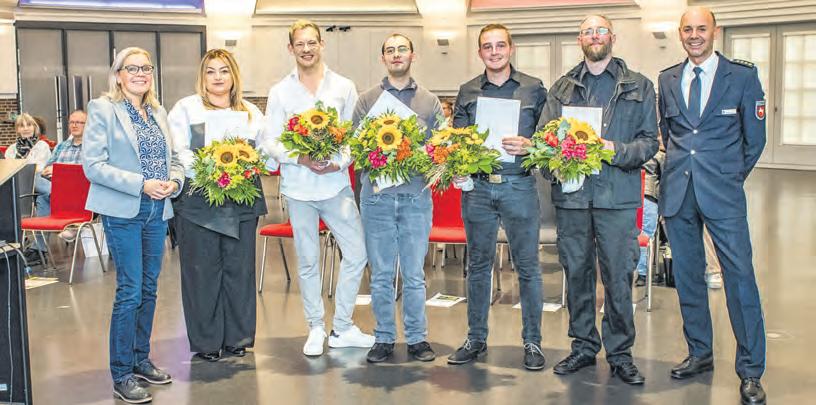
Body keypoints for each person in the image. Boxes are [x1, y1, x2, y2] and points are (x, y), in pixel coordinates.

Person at [539, 15, 657, 385]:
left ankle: (620, 354)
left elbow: (649, 144)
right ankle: (583, 346)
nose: (595, 36)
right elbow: (543, 143)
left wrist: (612, 149)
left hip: (617, 198)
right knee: (577, 273)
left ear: (612, 37)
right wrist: (556, 162)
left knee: (619, 277)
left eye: (601, 30)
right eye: (588, 31)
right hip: (573, 199)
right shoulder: (561, 88)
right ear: (580, 39)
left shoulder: (639, 86)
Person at [658, 7, 767, 404]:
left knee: (739, 279)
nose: (694, 35)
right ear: (680, 33)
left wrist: (729, 176)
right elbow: (670, 133)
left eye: (701, 28)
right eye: (687, 29)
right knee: (688, 278)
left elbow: (755, 140)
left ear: (715, 32)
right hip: (679, 192)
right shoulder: (668, 78)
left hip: (722, 192)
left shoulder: (742, 76)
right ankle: (700, 352)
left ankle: (751, 370)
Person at [258, 19, 373, 357]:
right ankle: (315, 327)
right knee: (308, 261)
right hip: (299, 188)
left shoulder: (344, 86)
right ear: (290, 48)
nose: (306, 49)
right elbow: (270, 141)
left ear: (322, 44)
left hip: (336, 186)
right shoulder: (280, 91)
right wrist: (300, 157)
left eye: (312, 42)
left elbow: (355, 135)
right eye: (300, 44)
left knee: (357, 253)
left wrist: (340, 162)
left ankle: (343, 326)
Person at [83, 47, 184, 404]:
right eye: (132, 68)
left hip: (158, 210)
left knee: (149, 289)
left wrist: (174, 181)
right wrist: (142, 184)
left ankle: (141, 359)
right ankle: (122, 373)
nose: (140, 73)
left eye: (146, 68)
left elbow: (174, 159)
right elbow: (93, 165)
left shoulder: (158, 111)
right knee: (130, 291)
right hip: (123, 210)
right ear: (118, 75)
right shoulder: (103, 109)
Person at [446, 23, 548, 371]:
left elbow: (548, 140)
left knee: (528, 267)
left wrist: (531, 145)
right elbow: (457, 142)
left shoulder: (534, 89)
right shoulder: (468, 91)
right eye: (487, 47)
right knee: (477, 265)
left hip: (518, 185)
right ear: (480, 53)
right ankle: (475, 339)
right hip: (477, 189)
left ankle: (532, 342)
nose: (494, 52)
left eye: (500, 45)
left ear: (511, 48)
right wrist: (458, 167)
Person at [168, 49, 267, 362]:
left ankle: (238, 337)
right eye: (211, 71)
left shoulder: (251, 112)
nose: (218, 77)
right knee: (201, 272)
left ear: (233, 75)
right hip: (198, 201)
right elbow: (178, 150)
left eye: (224, 70)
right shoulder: (185, 108)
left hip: (242, 200)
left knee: (239, 270)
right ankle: (207, 341)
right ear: (202, 76)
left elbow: (264, 151)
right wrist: (210, 171)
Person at [352, 33, 442, 363]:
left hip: (415, 197)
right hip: (377, 198)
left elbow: (439, 150)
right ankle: (384, 337)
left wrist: (415, 154)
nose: (396, 54)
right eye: (390, 50)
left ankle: (417, 338)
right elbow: (355, 150)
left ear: (412, 55)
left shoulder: (430, 102)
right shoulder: (366, 101)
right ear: (383, 58)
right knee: (381, 275)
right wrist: (379, 153)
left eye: (402, 49)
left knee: (415, 275)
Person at [5, 112, 52, 262]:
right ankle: (55, 193)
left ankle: (38, 247)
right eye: (21, 125)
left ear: (35, 127)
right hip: (17, 184)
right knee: (44, 194)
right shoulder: (12, 149)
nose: (25, 128)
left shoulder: (42, 146)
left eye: (29, 125)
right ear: (17, 129)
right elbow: (9, 169)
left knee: (41, 190)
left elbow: (39, 168)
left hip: (35, 182)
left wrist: (22, 166)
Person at [37, 109, 88, 243]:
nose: (74, 125)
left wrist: (60, 171)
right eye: (71, 122)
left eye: (79, 122)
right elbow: (46, 170)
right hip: (57, 188)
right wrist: (52, 171)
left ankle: (39, 248)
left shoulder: (93, 147)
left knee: (43, 195)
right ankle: (39, 248)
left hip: (80, 192)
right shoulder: (61, 146)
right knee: (36, 178)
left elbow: (89, 172)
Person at [635, 149, 664, 287]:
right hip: (649, 196)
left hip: (626, 196)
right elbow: (665, 180)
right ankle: (642, 274)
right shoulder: (658, 154)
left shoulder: (628, 147)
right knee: (646, 236)